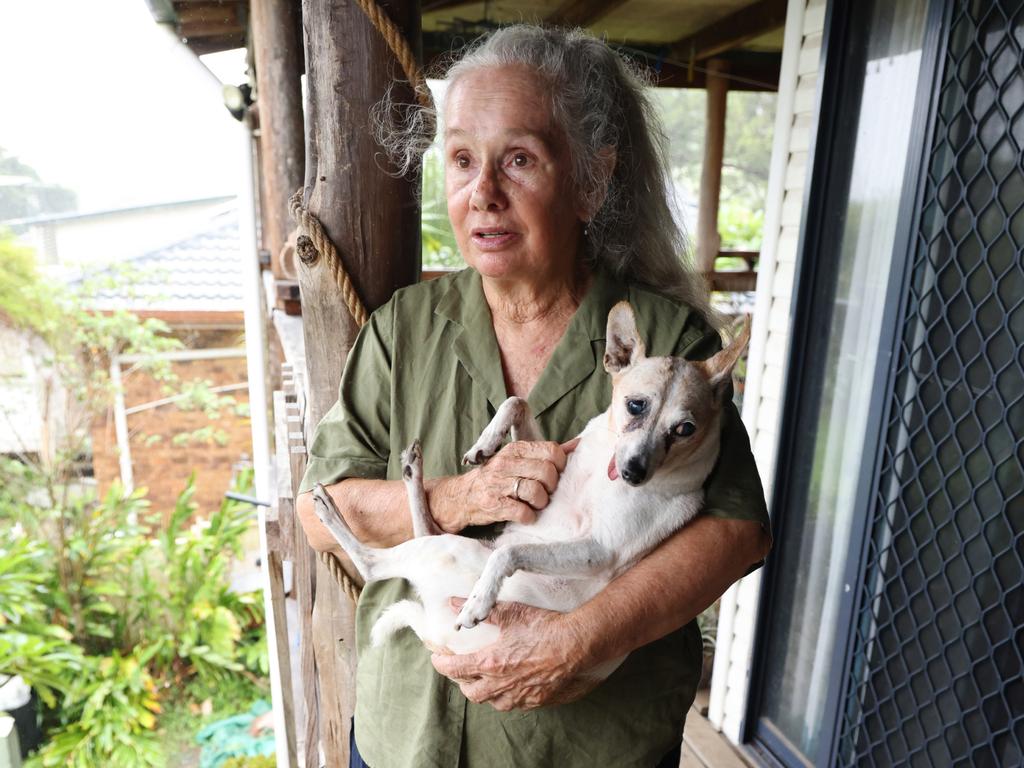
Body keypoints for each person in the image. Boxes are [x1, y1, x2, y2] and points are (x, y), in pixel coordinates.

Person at [295, 24, 771, 768]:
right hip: (403, 739)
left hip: (586, 745)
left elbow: (739, 531)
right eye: (460, 159)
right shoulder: (404, 330)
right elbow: (318, 513)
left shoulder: (668, 345)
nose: (481, 192)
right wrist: (459, 497)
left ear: (591, 180)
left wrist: (577, 641)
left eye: (518, 159)